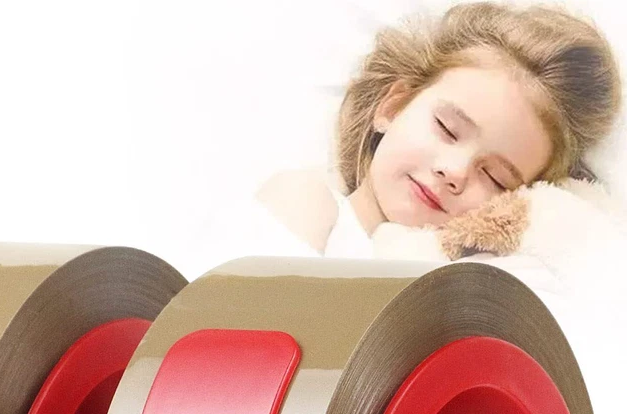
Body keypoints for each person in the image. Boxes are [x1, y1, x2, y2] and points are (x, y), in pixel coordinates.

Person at [254, 1, 623, 267]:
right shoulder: (308, 202)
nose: (454, 171)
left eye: (494, 177)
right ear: (392, 107)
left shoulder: (473, 283)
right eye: (447, 128)